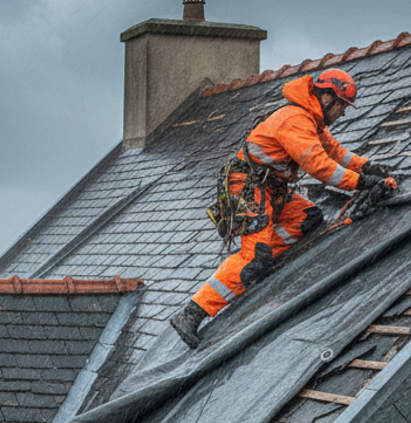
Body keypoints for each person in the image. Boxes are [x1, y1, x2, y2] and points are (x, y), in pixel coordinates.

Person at [170, 68, 396, 349]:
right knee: (254, 256)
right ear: (326, 98)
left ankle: (262, 261)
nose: (343, 113)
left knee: (308, 218)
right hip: (249, 189)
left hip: (270, 189)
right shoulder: (295, 119)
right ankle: (192, 314)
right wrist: (364, 183)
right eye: (342, 106)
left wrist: (366, 167)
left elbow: (334, 153)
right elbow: (321, 167)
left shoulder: (311, 120)